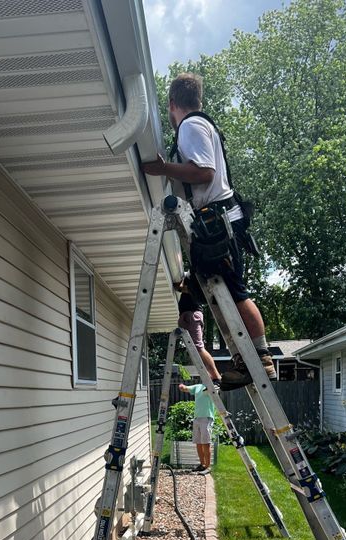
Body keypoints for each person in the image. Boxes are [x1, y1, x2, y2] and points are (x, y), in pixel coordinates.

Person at [143, 72, 276, 389]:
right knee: (217, 290)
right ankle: (248, 359)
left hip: (220, 222)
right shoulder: (200, 125)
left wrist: (163, 169)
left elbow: (203, 173)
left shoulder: (190, 126)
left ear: (173, 103)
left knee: (236, 292)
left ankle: (261, 360)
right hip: (221, 221)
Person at [175, 272, 222, 385]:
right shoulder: (189, 275)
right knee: (194, 348)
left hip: (192, 315)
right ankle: (211, 376)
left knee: (198, 347)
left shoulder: (196, 277)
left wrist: (182, 283)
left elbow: (180, 287)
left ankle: (216, 377)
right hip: (187, 315)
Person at [178, 381, 216, 474]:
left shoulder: (213, 387)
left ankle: (207, 466)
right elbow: (186, 388)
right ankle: (202, 465)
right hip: (197, 418)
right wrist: (182, 386)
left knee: (206, 443)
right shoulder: (198, 386)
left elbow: (214, 392)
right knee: (198, 443)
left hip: (207, 418)